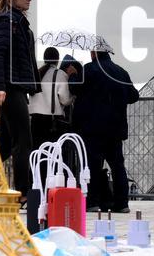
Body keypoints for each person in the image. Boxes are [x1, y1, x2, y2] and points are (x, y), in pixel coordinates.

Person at [0, 0, 41, 198]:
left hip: (16, 86)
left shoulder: (18, 23)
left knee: (9, 142)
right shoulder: (8, 22)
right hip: (9, 87)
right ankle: (23, 191)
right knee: (23, 141)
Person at [73, 49, 139, 213]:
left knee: (93, 166)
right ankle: (122, 203)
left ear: (94, 53)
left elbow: (74, 88)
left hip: (93, 127)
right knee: (118, 167)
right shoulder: (121, 72)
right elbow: (133, 96)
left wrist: (74, 74)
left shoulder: (88, 69)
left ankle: (93, 202)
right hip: (116, 128)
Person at [29, 47, 73, 149]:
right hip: (52, 122)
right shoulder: (60, 74)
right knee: (52, 158)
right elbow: (65, 100)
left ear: (44, 58)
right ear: (57, 59)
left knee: (38, 155)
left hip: (35, 120)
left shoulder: (36, 74)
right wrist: (73, 96)